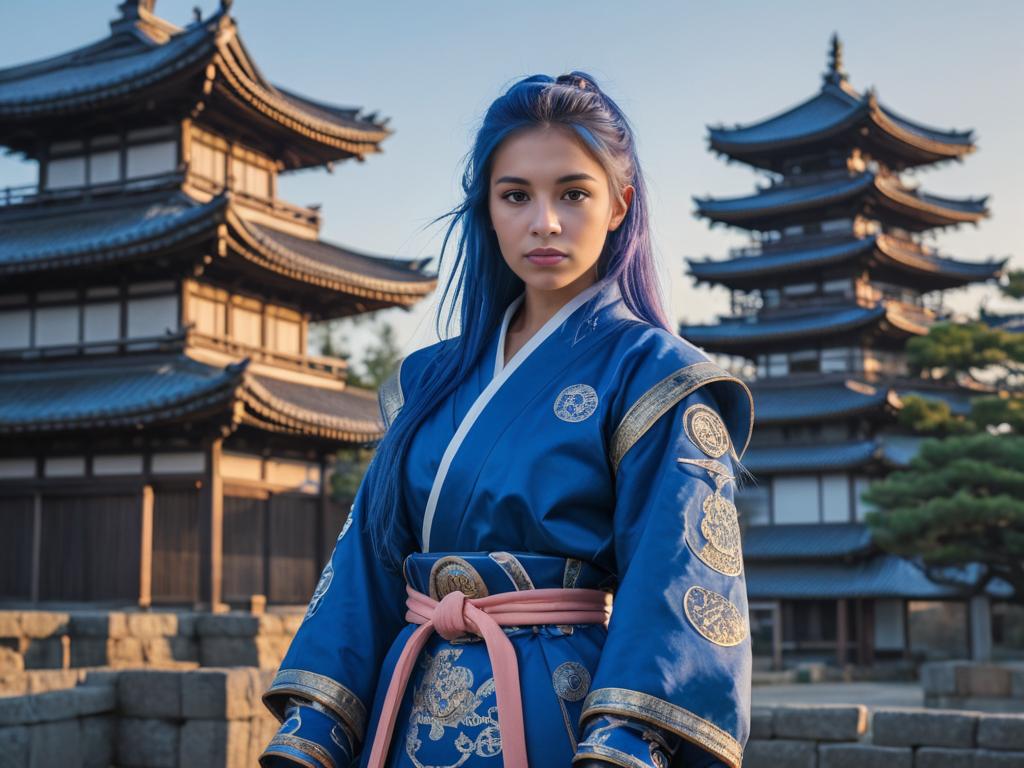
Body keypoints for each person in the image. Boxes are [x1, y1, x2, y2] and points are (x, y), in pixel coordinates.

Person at [259, 71, 754, 768]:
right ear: (487, 209)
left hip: (562, 717)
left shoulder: (658, 378)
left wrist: (625, 741)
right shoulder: (426, 380)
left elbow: (676, 581)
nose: (543, 222)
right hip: (405, 715)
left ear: (620, 205)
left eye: (573, 193)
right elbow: (366, 564)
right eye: (516, 195)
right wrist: (316, 722)